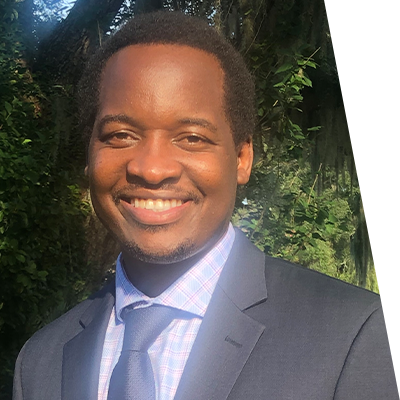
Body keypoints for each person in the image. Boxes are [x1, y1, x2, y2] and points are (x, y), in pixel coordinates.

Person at [13, 11, 400, 400]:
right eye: (121, 135)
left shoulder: (356, 338)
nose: (150, 168)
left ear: (242, 158)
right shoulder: (40, 362)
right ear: (89, 154)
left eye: (192, 138)